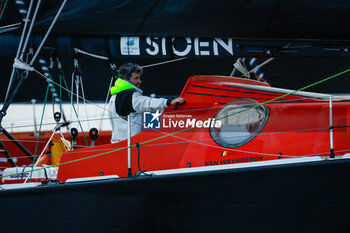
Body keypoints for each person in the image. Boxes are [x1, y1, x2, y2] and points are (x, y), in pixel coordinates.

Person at [108, 63, 185, 143]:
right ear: (126, 79)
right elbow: (146, 103)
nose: (140, 81)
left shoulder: (115, 95)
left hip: (117, 144)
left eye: (139, 78)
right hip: (130, 147)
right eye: (136, 78)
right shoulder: (129, 96)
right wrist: (168, 102)